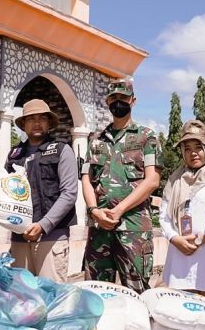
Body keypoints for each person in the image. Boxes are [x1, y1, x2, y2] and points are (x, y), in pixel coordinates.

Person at [81, 80, 162, 293]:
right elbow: (87, 179)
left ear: (133, 101)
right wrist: (94, 211)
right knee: (96, 292)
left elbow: (152, 180)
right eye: (114, 98)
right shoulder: (96, 140)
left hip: (133, 229)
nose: (119, 102)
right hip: (99, 229)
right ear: (107, 101)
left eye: (123, 98)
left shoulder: (146, 136)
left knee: (137, 293)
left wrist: (118, 210)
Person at [4, 99, 78, 283]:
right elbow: (6, 193)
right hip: (20, 237)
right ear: (24, 124)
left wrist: (43, 225)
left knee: (50, 297)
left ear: (49, 123)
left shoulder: (62, 150)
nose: (37, 123)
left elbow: (69, 193)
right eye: (31, 119)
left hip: (51, 237)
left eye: (42, 118)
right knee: (22, 298)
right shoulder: (15, 154)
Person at [159, 120, 205, 306]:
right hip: (179, 259)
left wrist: (203, 237)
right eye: (187, 148)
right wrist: (174, 238)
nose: (193, 153)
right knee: (181, 315)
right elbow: (164, 214)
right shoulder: (176, 179)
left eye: (198, 147)